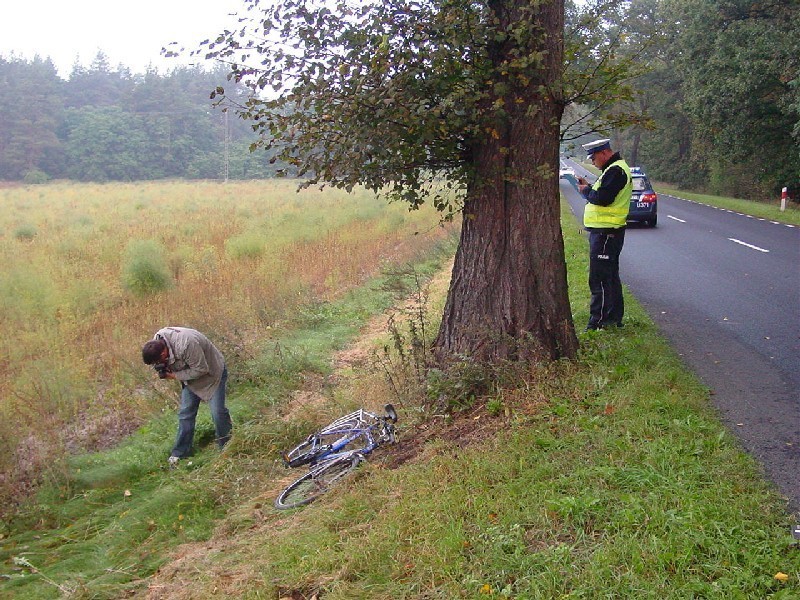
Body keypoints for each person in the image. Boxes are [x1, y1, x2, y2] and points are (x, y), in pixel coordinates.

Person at [142, 327, 232, 465]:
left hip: (213, 374)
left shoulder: (186, 344)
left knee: (217, 412)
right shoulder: (158, 341)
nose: (157, 365)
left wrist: (173, 376)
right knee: (185, 414)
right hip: (190, 379)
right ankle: (180, 453)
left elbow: (202, 369)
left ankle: (227, 447)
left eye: (157, 362)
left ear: (163, 352)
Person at [575, 139, 632, 330]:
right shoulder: (613, 170)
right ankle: (614, 318)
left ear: (605, 153)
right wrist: (590, 189)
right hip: (607, 232)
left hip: (606, 233)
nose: (592, 162)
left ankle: (598, 323)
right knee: (610, 277)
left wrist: (586, 191)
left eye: (593, 157)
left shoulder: (616, 171)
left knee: (600, 279)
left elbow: (603, 198)